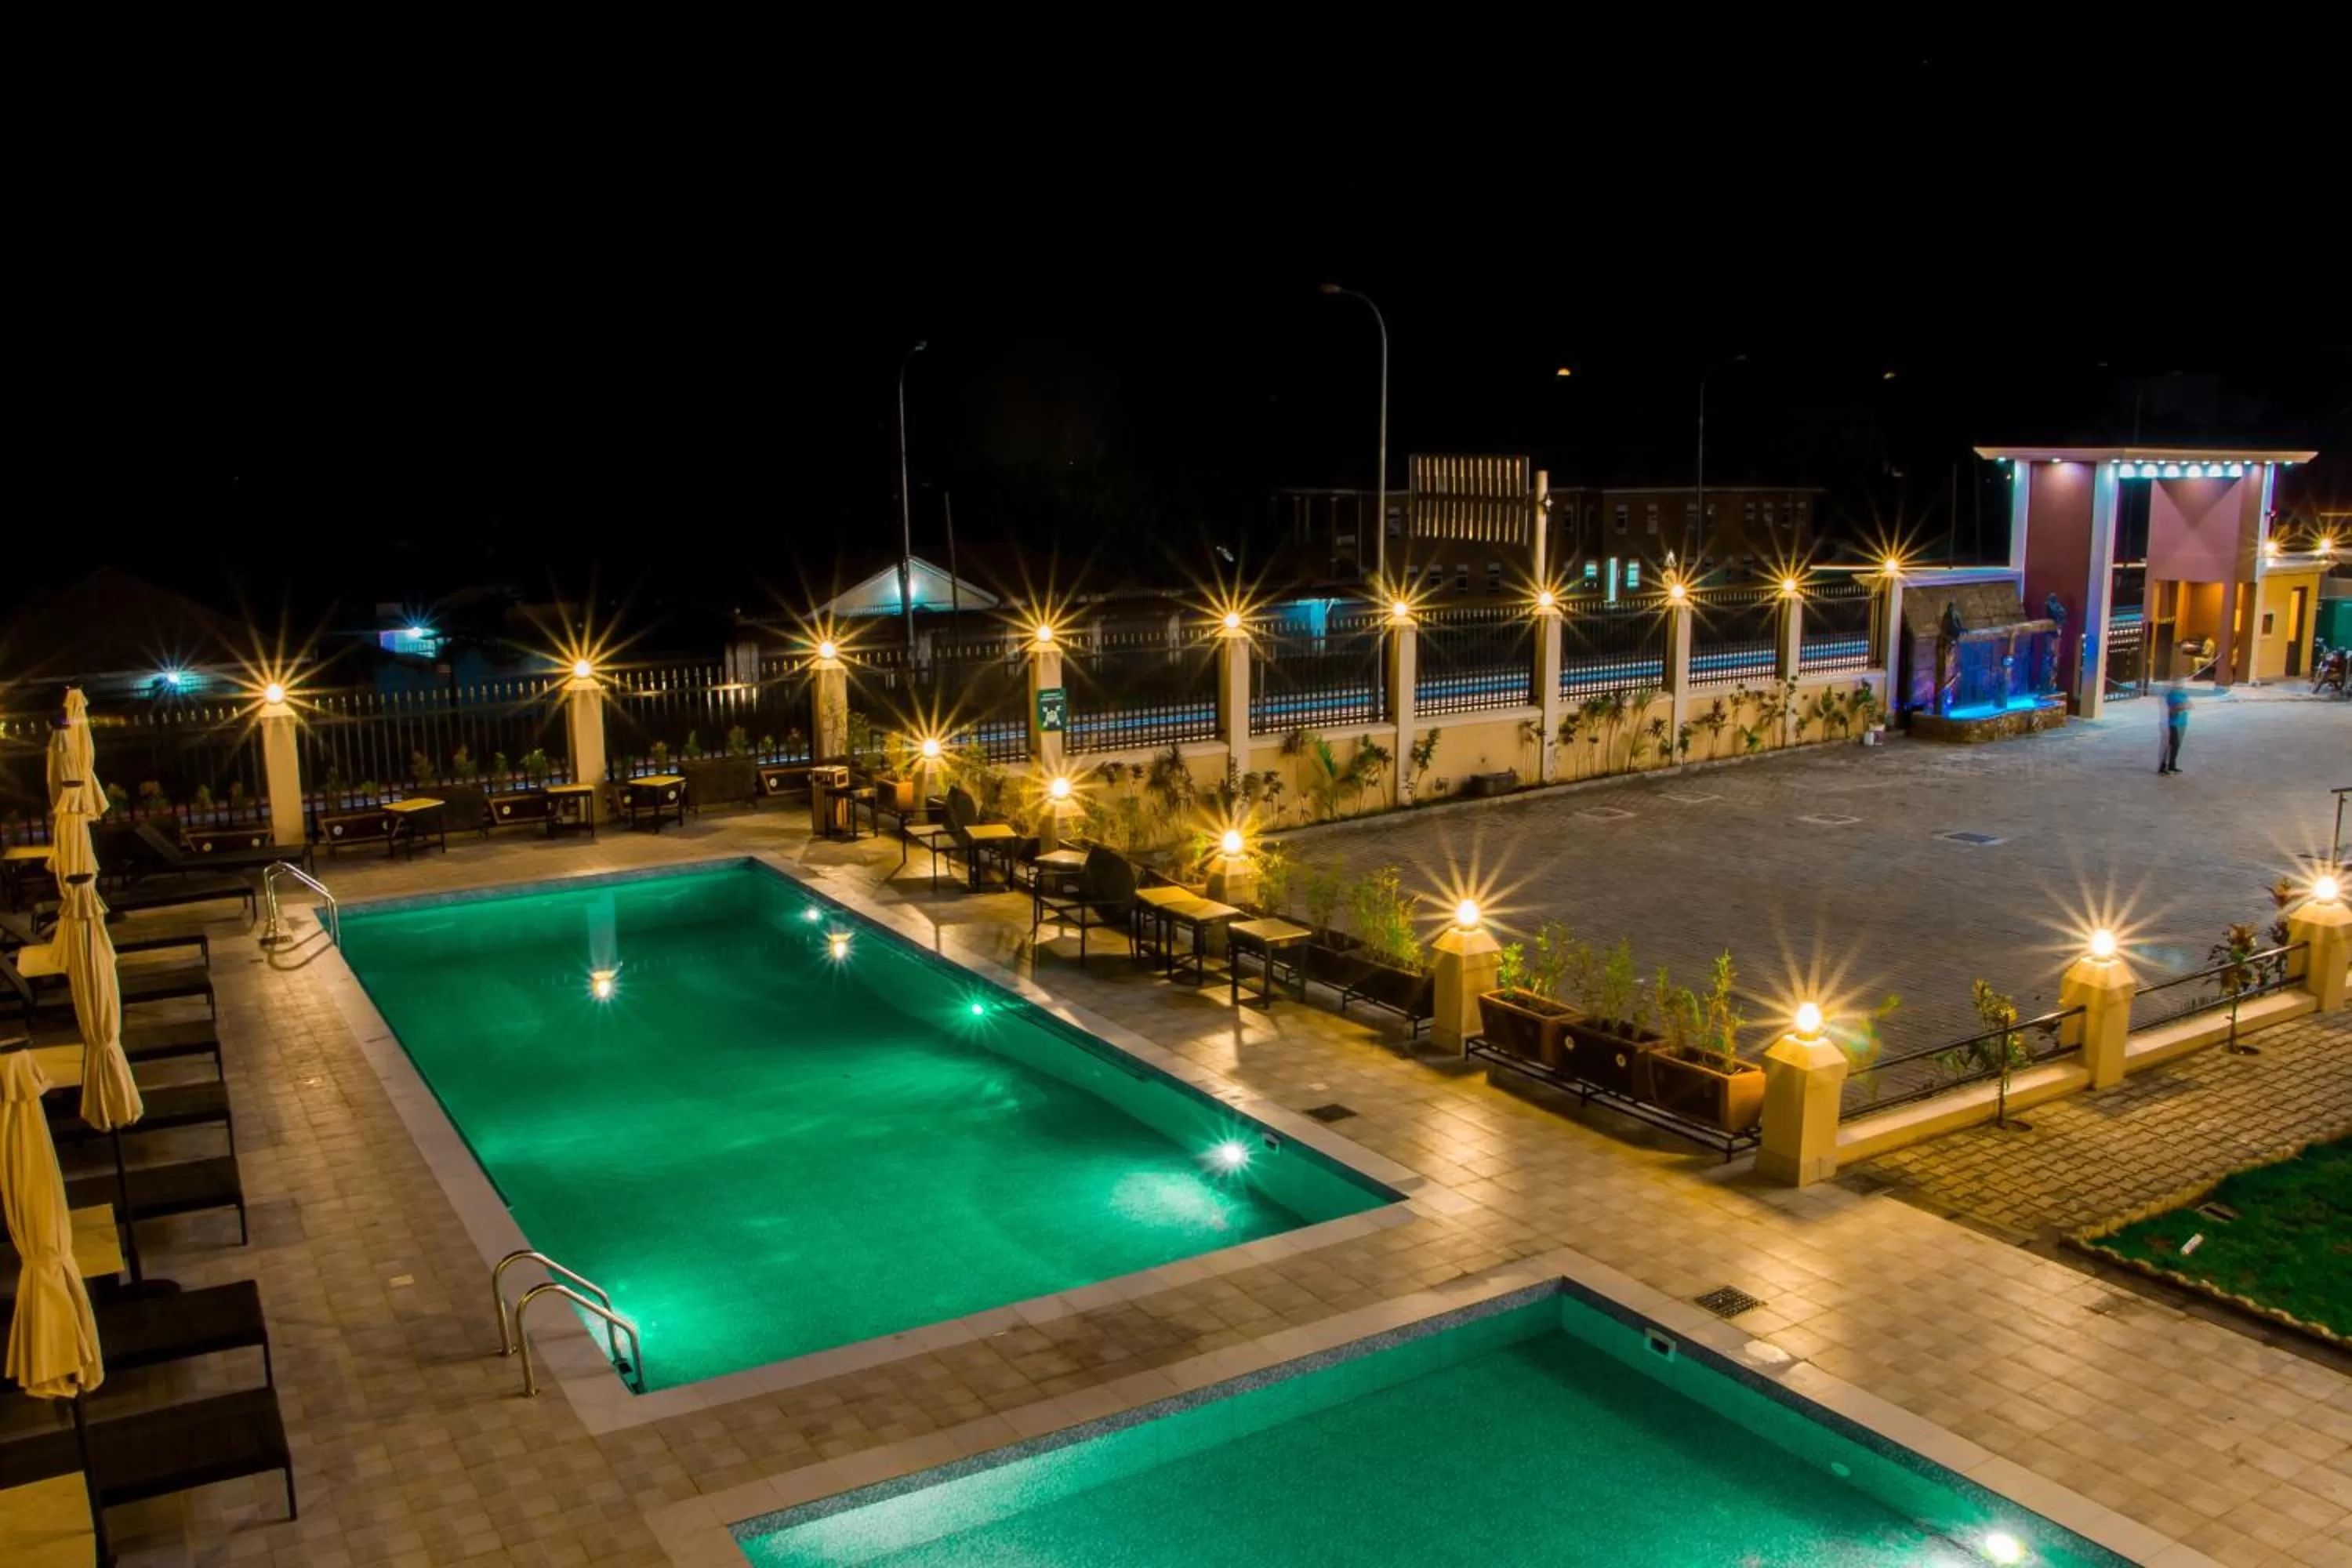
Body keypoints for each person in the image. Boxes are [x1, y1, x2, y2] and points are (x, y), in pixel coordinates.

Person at [2160, 680, 2190, 774]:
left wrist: (2185, 705)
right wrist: (2182, 706)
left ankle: (2172, 766)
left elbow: (2188, 705)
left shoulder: (2183, 695)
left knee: (2176, 746)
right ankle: (2163, 766)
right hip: (2174, 724)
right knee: (2172, 745)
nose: (2181, 685)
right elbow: (2173, 710)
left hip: (2182, 722)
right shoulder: (2172, 695)